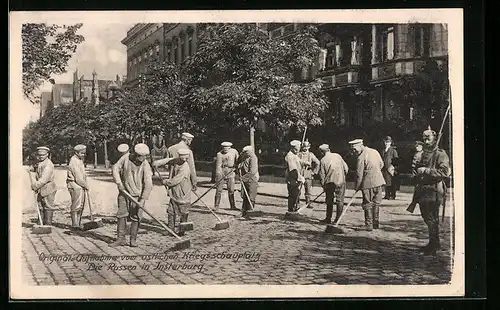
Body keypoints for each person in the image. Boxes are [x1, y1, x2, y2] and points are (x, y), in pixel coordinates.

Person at [413, 128, 450, 256]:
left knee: (432, 218)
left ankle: (433, 246)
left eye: (428, 137)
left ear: (435, 138)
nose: (425, 139)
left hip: (434, 190)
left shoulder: (440, 154)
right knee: (427, 217)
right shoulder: (423, 153)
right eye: (424, 137)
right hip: (423, 189)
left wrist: (426, 171)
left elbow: (445, 172)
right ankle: (434, 242)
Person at [110, 143, 153, 247]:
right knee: (121, 215)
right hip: (124, 192)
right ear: (135, 154)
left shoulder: (145, 164)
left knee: (136, 217)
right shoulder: (125, 158)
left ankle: (133, 240)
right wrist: (119, 183)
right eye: (140, 157)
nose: (142, 159)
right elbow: (115, 168)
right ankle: (121, 239)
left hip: (137, 195)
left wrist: (142, 199)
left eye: (145, 157)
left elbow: (148, 183)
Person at [349, 139, 386, 231]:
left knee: (367, 203)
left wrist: (357, 187)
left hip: (368, 183)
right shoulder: (374, 151)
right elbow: (381, 164)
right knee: (376, 203)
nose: (354, 151)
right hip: (379, 181)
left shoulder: (361, 157)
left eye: (355, 149)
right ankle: (375, 224)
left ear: (360, 145)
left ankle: (369, 225)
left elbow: (359, 174)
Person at [160, 149, 193, 236]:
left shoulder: (185, 167)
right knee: (171, 211)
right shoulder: (177, 162)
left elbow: (176, 180)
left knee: (183, 212)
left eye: (185, 158)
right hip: (174, 192)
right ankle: (170, 229)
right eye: (182, 157)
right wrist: (157, 163)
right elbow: (168, 160)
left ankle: (182, 230)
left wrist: (166, 182)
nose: (183, 159)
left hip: (183, 192)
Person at [317, 144, 349, 224]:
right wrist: (343, 176)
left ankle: (328, 218)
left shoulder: (323, 160)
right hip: (341, 181)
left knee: (329, 200)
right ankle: (338, 219)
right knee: (340, 201)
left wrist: (323, 185)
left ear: (321, 152)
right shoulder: (337, 156)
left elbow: (322, 175)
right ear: (329, 149)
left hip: (329, 183)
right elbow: (346, 168)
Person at [27, 146, 57, 226]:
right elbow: (36, 168)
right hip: (41, 188)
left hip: (48, 187)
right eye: (39, 155)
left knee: (48, 206)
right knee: (40, 205)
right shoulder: (40, 162)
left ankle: (48, 224)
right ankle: (40, 222)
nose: (41, 157)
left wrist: (35, 186)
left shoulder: (48, 165)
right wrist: (31, 169)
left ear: (47, 154)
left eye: (43, 155)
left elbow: (44, 179)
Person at [67, 144, 88, 230]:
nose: (83, 155)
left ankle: (78, 223)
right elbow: (78, 177)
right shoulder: (74, 161)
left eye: (84, 153)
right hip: (75, 185)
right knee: (76, 205)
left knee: (81, 205)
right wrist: (85, 185)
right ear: (76, 152)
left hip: (80, 185)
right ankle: (75, 225)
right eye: (82, 153)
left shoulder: (79, 160)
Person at [214, 142, 239, 210]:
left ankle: (232, 206)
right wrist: (218, 175)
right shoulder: (219, 154)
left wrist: (236, 168)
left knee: (231, 189)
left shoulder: (234, 152)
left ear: (230, 147)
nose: (225, 149)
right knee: (219, 189)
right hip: (222, 171)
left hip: (231, 172)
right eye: (223, 148)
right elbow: (218, 166)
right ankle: (216, 206)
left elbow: (238, 161)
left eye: (226, 148)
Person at [236, 145, 259, 219]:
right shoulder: (243, 156)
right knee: (245, 196)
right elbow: (238, 162)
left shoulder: (253, 158)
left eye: (246, 152)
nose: (245, 154)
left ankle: (250, 213)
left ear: (250, 151)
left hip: (252, 179)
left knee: (251, 196)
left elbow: (253, 171)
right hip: (244, 179)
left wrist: (243, 178)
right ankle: (243, 212)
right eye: (244, 152)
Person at [285, 140, 305, 212]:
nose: (298, 150)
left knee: (296, 195)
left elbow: (298, 161)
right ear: (293, 148)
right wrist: (300, 178)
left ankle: (295, 209)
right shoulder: (290, 156)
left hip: (295, 179)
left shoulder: (294, 155)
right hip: (292, 179)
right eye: (297, 148)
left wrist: (305, 163)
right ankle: (292, 211)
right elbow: (293, 170)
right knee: (293, 196)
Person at [298, 140, 320, 207]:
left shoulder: (311, 154)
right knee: (298, 189)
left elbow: (317, 163)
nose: (305, 148)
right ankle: (297, 202)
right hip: (300, 173)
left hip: (308, 173)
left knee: (308, 189)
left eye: (307, 147)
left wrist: (314, 172)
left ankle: (308, 203)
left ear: (309, 147)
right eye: (304, 146)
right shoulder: (299, 154)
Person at [407, 141, 424, 211]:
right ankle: (414, 203)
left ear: (421, 147)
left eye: (418, 146)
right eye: (416, 146)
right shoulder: (417, 153)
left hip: (419, 174)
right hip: (416, 174)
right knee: (417, 190)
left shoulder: (422, 154)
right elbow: (413, 165)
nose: (416, 147)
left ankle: (414, 203)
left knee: (418, 191)